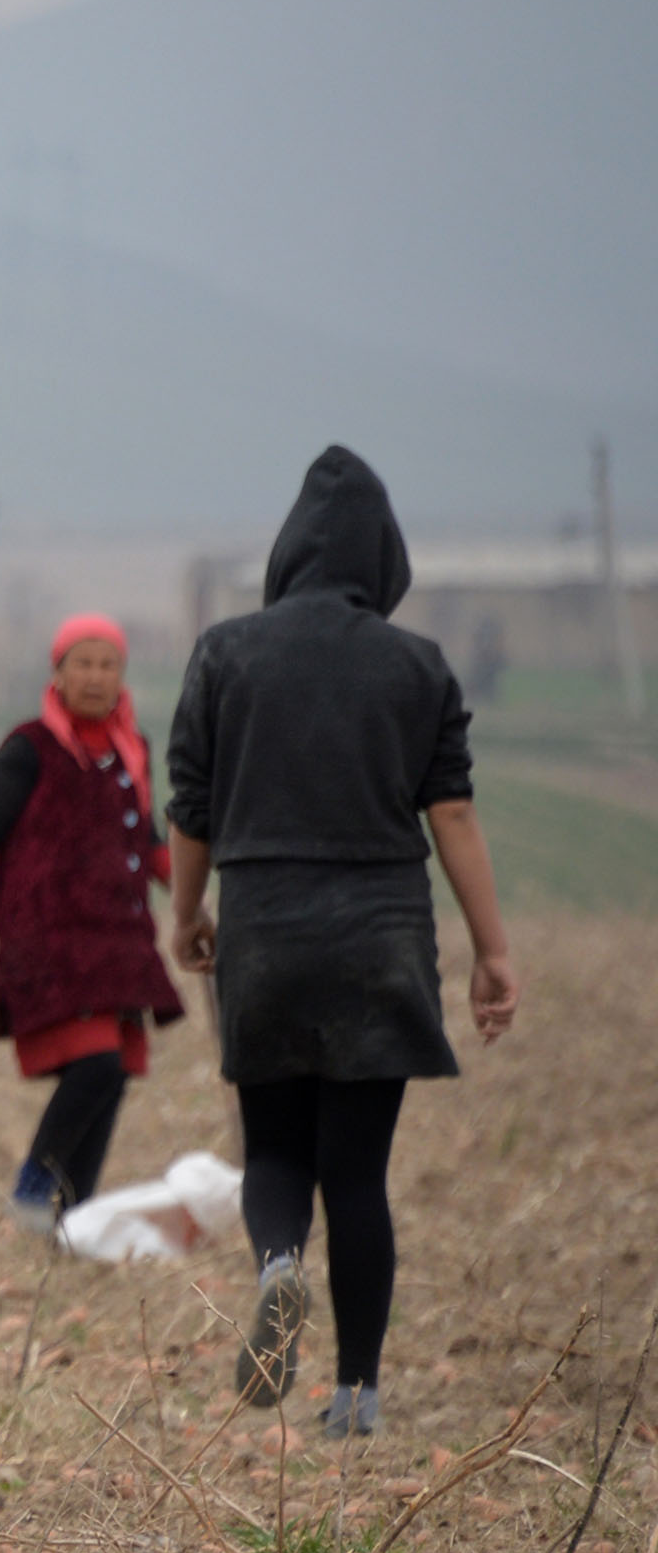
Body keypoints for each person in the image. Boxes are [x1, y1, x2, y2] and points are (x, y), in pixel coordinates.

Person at [167, 447, 521, 1441]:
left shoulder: (225, 651)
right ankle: (356, 1392)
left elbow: (191, 803)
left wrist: (187, 912)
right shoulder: (417, 664)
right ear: (384, 554)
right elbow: (451, 813)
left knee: (273, 1138)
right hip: (380, 934)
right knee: (357, 1172)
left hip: (266, 927)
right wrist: (493, 949)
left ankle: (279, 1264)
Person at [0, 615, 184, 1233]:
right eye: (81, 663)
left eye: (107, 664)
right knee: (97, 1066)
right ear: (57, 673)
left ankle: (74, 1222)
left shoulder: (132, 751)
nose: (95, 676)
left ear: (122, 676)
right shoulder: (27, 746)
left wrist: (194, 906)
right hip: (45, 936)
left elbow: (150, 839)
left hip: (117, 937)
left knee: (115, 1075)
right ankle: (35, 1187)